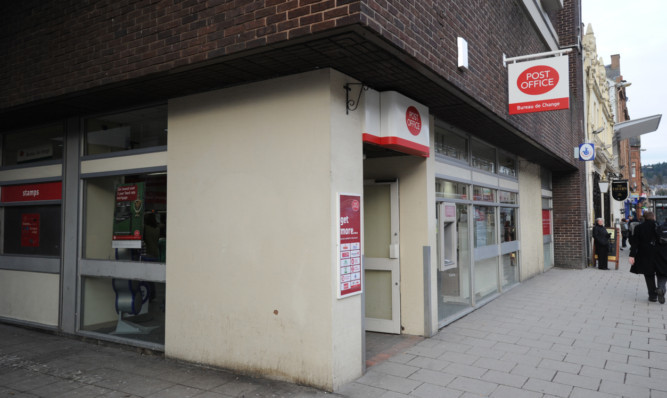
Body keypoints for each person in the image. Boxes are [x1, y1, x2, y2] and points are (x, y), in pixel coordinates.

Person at [629, 212, 662, 302]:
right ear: (653, 217)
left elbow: (635, 243)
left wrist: (632, 255)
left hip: (644, 253)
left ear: (645, 218)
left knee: (649, 274)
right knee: (661, 273)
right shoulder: (658, 226)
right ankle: (661, 289)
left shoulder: (639, 227)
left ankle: (652, 295)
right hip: (659, 253)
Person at [652, 219, 667, 304]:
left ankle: (661, 289)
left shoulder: (659, 228)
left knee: (661, 275)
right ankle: (661, 290)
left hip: (660, 255)